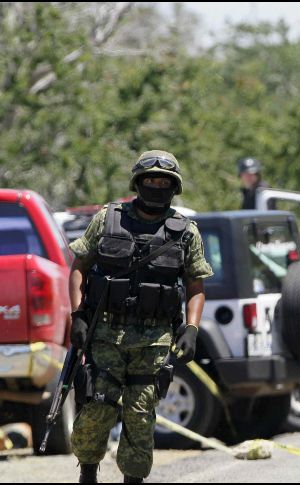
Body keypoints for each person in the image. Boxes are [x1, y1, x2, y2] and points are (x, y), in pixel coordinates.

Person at [68, 151, 213, 483]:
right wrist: (76, 315)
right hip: (104, 334)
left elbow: (196, 285)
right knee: (96, 408)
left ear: (174, 188)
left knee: (139, 416)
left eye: (164, 182)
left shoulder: (186, 232)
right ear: (138, 183)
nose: (157, 186)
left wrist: (191, 329)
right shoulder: (107, 219)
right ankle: (88, 472)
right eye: (151, 180)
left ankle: (133, 479)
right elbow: (79, 268)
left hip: (154, 340)